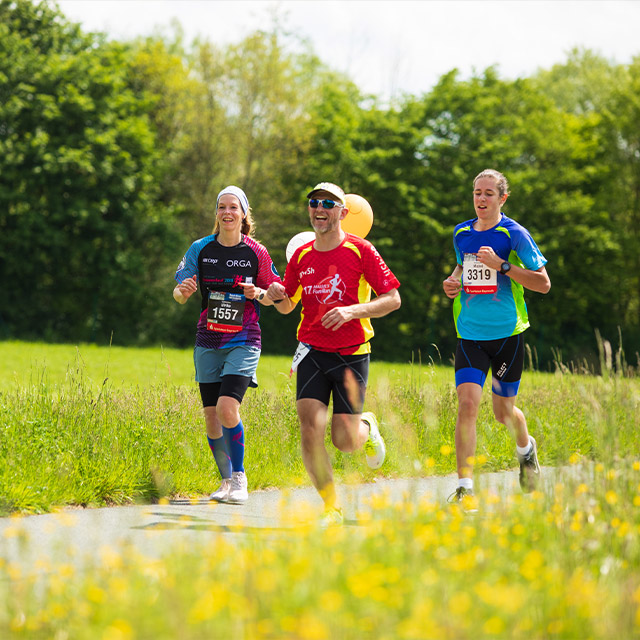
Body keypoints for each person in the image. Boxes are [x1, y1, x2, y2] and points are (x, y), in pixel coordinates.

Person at [266, 182, 401, 525]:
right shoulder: (301, 256)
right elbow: (285, 306)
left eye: (328, 203)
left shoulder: (361, 251)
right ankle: (332, 508)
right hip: (311, 350)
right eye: (314, 202)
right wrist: (275, 293)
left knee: (344, 441)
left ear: (343, 212)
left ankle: (366, 427)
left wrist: (352, 311)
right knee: (309, 429)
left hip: (351, 352)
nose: (319, 208)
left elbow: (393, 299)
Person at [443, 169, 551, 507]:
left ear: (502, 198)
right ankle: (465, 488)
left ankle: (526, 449)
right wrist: (452, 280)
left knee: (504, 412)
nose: (481, 199)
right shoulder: (461, 232)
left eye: (489, 193)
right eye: (477, 193)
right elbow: (462, 268)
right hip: (470, 334)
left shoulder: (514, 233)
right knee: (467, 405)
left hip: (507, 335)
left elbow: (543, 283)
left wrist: (502, 266)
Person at [173, 185, 281, 504]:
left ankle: (239, 476)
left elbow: (274, 296)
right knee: (210, 416)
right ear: (216, 214)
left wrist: (259, 294)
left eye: (234, 207)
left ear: (244, 214)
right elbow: (178, 293)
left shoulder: (256, 252)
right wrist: (184, 291)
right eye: (222, 207)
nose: (227, 213)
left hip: (244, 339)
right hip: (208, 338)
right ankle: (224, 480)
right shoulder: (201, 249)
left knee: (226, 408)